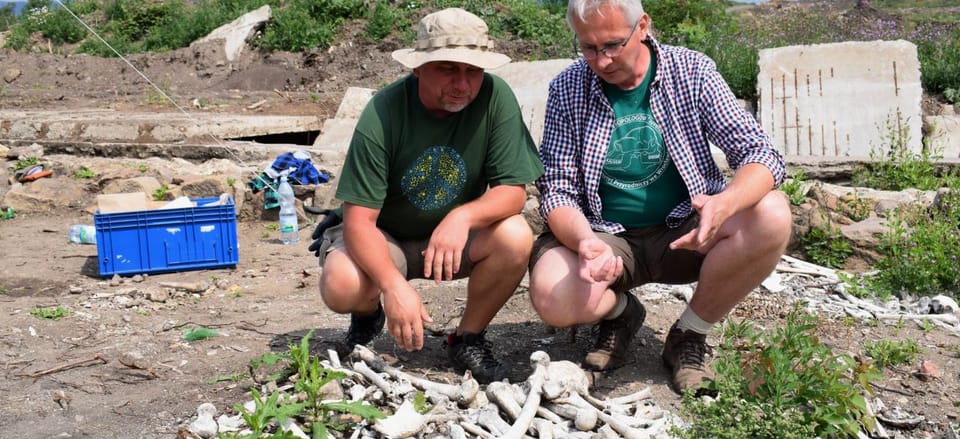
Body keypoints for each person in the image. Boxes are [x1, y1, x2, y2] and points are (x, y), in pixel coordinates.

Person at [528, 0, 792, 394]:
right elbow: (559, 188)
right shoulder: (568, 88)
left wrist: (725, 203)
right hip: (606, 236)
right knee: (552, 295)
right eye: (589, 48)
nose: (601, 61)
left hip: (685, 229)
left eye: (613, 45)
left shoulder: (691, 71)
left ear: (644, 27)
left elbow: (759, 153)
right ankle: (621, 313)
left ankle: (689, 334)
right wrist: (585, 243)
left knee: (771, 212)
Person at [310, 8, 544, 384]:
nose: (463, 84)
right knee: (343, 284)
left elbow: (512, 193)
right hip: (385, 238)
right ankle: (368, 312)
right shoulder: (384, 112)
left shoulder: (495, 97)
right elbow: (359, 222)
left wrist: (461, 217)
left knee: (515, 236)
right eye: (448, 69)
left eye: (473, 71)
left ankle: (467, 337)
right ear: (418, 67)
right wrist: (392, 286)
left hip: (454, 240)